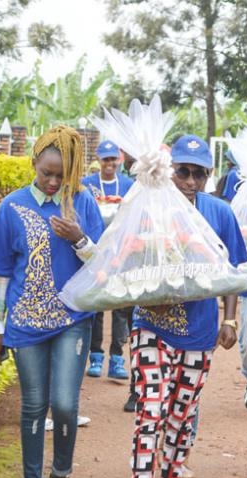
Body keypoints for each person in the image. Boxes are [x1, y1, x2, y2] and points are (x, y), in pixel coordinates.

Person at [120, 134, 247, 478]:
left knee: (180, 417)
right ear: (168, 170)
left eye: (199, 174)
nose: (190, 181)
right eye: (183, 171)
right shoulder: (146, 209)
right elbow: (122, 262)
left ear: (209, 176)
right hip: (151, 327)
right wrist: (145, 294)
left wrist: (230, 320)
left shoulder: (219, 212)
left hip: (199, 334)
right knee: (151, 410)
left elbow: (234, 270)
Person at [0, 125, 104, 478]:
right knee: (34, 407)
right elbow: (2, 274)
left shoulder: (82, 202)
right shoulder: (11, 207)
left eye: (61, 175)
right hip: (25, 322)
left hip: (72, 319)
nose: (53, 182)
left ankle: (61, 477)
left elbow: (102, 264)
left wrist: (79, 238)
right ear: (34, 163)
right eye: (46, 173)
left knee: (65, 404)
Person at [81, 140, 135, 384]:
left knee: (121, 306)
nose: (110, 163)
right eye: (106, 159)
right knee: (97, 305)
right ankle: (95, 356)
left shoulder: (128, 185)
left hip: (122, 253)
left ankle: (117, 357)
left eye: (113, 159)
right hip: (95, 252)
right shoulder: (87, 184)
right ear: (98, 159)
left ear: (119, 160)